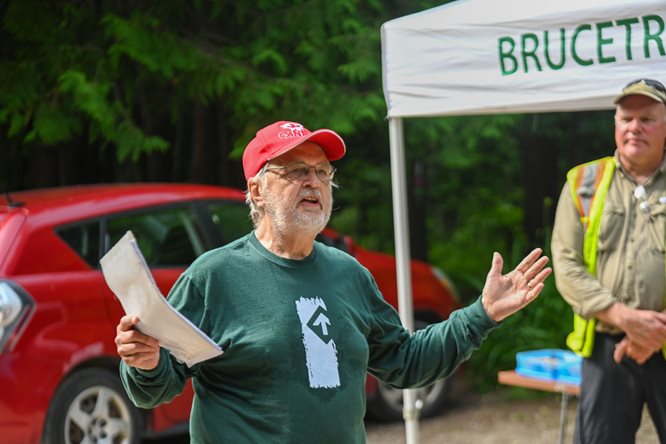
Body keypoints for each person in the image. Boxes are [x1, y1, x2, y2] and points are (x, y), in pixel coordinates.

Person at [115, 120, 551, 443]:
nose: (314, 182)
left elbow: (404, 361)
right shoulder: (215, 276)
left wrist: (481, 315)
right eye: (296, 171)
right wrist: (145, 360)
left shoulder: (348, 274)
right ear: (257, 190)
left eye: (322, 173)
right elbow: (158, 387)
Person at [551, 79, 666, 444]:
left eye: (647, 118)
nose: (634, 126)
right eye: (626, 117)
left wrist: (653, 332)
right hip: (606, 349)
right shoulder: (583, 181)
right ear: (615, 124)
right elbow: (567, 265)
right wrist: (625, 319)